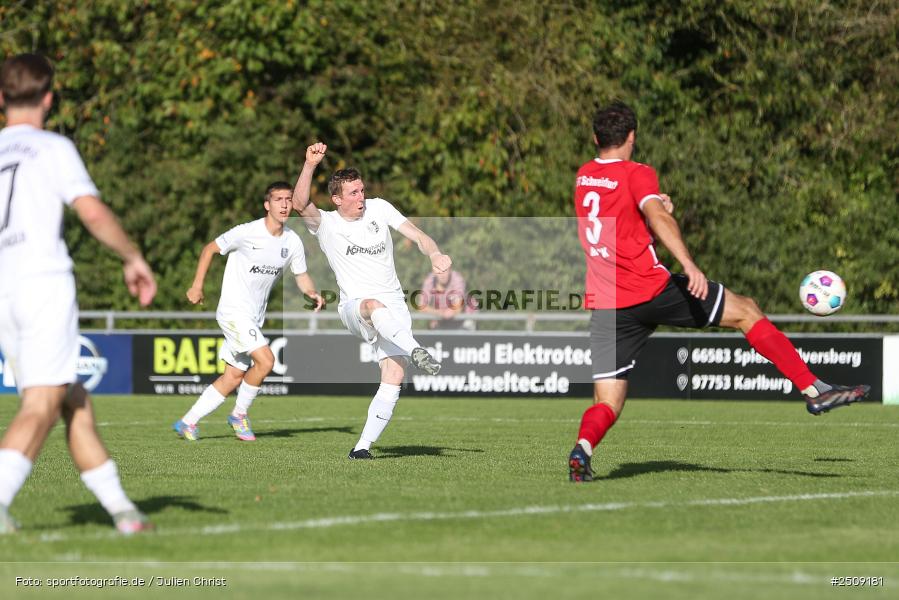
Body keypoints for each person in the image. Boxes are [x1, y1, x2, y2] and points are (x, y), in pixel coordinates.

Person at [568, 100, 871, 482]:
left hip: (609, 305)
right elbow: (655, 216)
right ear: (632, 137)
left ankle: (582, 449)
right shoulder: (638, 172)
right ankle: (813, 389)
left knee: (608, 401)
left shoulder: (584, 176)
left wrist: (652, 206)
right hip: (651, 289)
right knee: (747, 311)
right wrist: (688, 263)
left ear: (595, 138)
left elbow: (622, 220)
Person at [0, 54, 157, 533]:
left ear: (1, 99)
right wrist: (132, 256)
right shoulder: (51, 147)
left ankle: (123, 513)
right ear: (48, 98)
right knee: (41, 404)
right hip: (41, 283)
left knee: (71, 396)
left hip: (4, 288)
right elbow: (90, 212)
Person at [292, 143, 449, 459]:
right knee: (372, 306)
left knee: (394, 375)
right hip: (355, 307)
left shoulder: (379, 208)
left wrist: (434, 253)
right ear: (337, 199)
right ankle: (415, 348)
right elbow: (299, 204)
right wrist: (309, 165)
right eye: (352, 193)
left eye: (361, 190)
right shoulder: (325, 223)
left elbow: (418, 236)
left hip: (394, 304)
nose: (360, 197)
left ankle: (361, 447)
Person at [173, 182, 324, 442]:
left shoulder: (292, 241)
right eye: (278, 199)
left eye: (288, 199)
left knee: (232, 377)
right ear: (267, 205)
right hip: (233, 311)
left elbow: (301, 275)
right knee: (266, 361)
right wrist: (197, 285)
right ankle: (239, 414)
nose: (285, 204)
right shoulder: (247, 232)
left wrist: (311, 293)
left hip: (253, 317)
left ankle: (187, 422)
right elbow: (210, 248)